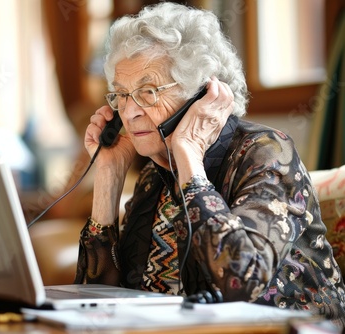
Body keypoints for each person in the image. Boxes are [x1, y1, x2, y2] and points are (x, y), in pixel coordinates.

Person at [74, 2, 345, 327]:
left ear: (201, 94)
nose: (129, 112)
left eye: (148, 92)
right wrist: (108, 174)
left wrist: (189, 155)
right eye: (120, 95)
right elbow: (94, 302)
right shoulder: (153, 176)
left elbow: (239, 281)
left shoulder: (267, 153)